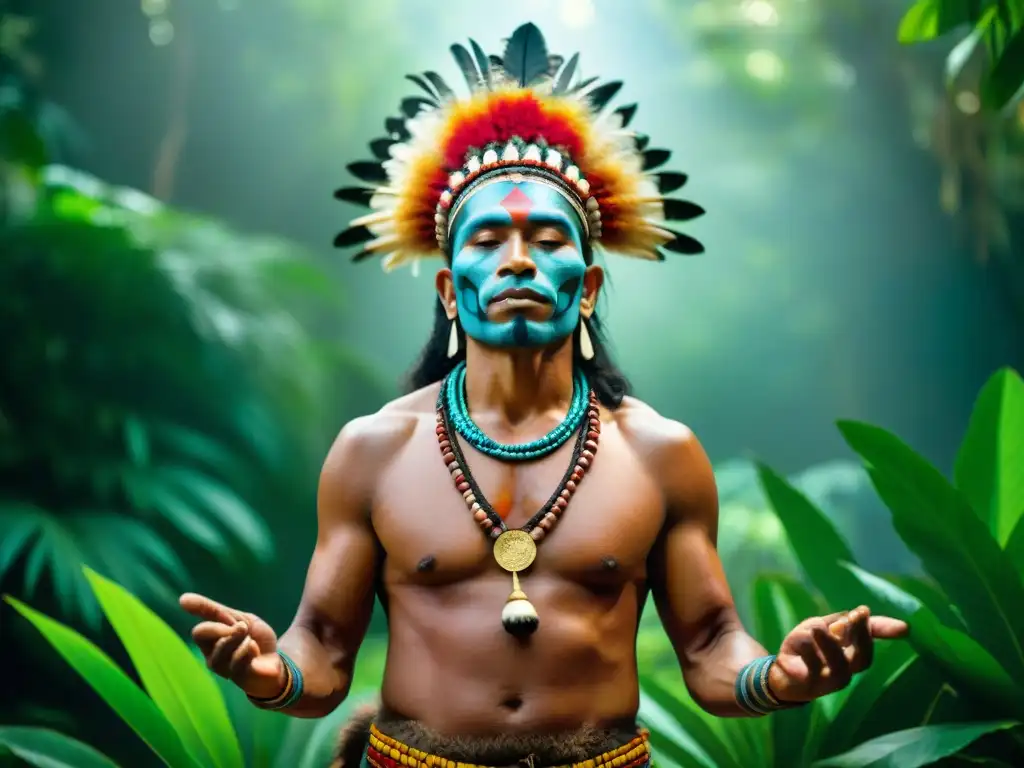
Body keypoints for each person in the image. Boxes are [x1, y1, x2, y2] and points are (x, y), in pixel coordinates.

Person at [179, 23, 908, 768]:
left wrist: (777, 677)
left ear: (588, 287)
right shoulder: (373, 449)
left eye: (551, 241)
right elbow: (325, 648)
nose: (519, 261)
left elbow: (712, 643)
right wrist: (273, 673)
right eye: (489, 239)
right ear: (449, 289)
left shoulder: (659, 453)